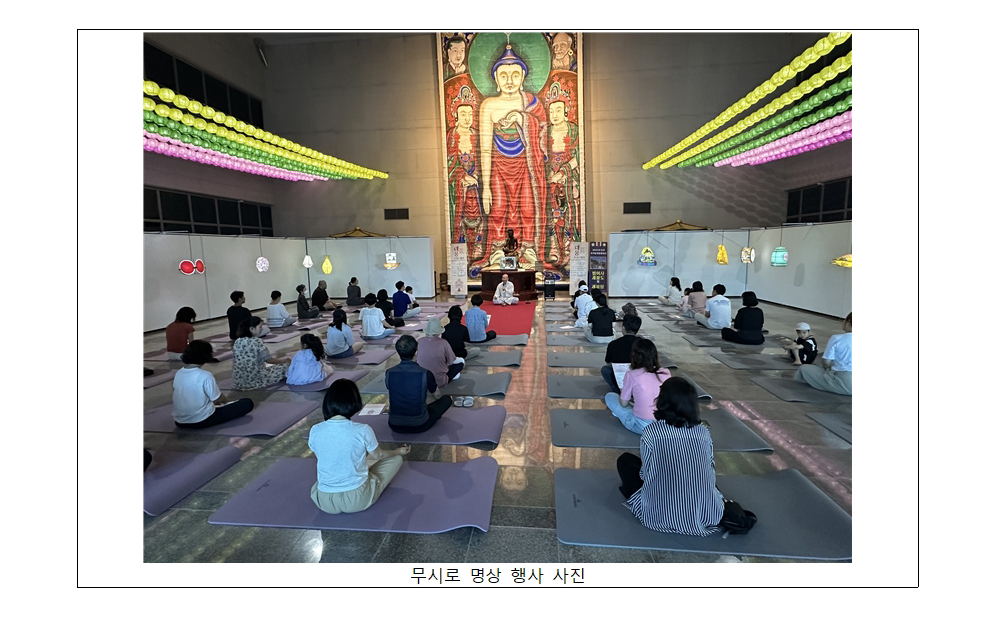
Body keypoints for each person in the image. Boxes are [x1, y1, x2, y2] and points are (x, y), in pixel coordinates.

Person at [616, 376, 725, 536]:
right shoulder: (703, 432)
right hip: (705, 515)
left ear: (662, 401)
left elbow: (646, 474)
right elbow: (710, 469)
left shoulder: (652, 432)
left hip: (657, 515)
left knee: (625, 461)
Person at [479, 45, 546, 268]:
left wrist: (522, 118)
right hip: (499, 165)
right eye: (504, 75)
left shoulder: (531, 103)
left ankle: (528, 249)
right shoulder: (489, 106)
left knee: (527, 208)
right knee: (498, 207)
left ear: (523, 77)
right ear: (496, 80)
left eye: (515, 75)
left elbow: (542, 133)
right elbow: (485, 149)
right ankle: (499, 250)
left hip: (525, 165)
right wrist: (486, 187)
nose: (509, 80)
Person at [308, 378, 411, 515]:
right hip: (358, 499)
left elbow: (324, 457)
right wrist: (398, 451)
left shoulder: (315, 430)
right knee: (395, 459)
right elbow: (379, 455)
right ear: (354, 402)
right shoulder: (362, 430)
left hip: (324, 501)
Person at [173, 340, 255, 428]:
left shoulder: (179, 373)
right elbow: (218, 399)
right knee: (247, 403)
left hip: (179, 422)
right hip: (201, 420)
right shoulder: (205, 375)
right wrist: (230, 402)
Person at [385, 335, 454, 433]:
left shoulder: (389, 372)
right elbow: (437, 395)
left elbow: (392, 389)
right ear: (416, 352)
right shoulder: (425, 373)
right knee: (446, 399)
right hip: (420, 424)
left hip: (394, 424)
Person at [605, 338, 672, 434]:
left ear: (634, 356)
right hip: (664, 424)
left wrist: (623, 391)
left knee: (610, 396)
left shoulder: (631, 375)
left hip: (641, 425)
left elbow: (623, 404)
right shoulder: (666, 372)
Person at [794, 312, 852, 395]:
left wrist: (828, 368)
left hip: (845, 381)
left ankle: (797, 392)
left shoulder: (837, 338)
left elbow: (826, 362)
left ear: (848, 322)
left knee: (804, 369)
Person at [232, 316, 291, 390]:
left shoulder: (237, 341)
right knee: (286, 367)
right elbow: (268, 360)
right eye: (260, 327)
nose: (262, 329)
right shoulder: (257, 341)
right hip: (256, 378)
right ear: (252, 329)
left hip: (239, 380)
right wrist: (283, 361)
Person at [417, 317, 464, 389]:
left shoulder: (419, 341)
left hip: (422, 380)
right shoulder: (443, 342)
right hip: (439, 381)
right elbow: (451, 361)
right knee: (460, 364)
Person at [602, 314, 642, 393]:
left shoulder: (613, 344)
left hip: (621, 381)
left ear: (623, 328)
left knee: (605, 369)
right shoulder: (645, 344)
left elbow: (608, 361)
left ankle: (619, 391)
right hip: (640, 382)